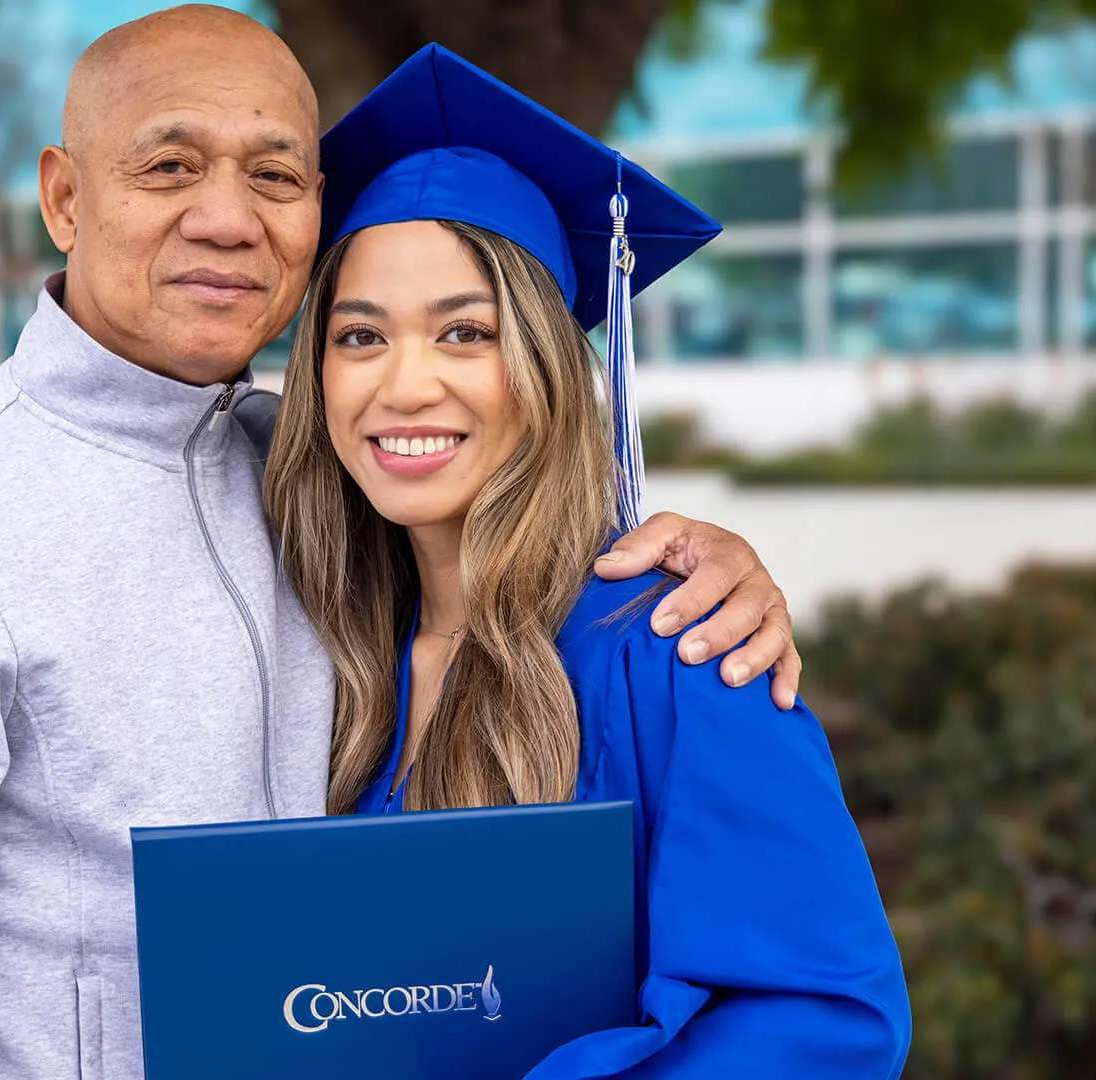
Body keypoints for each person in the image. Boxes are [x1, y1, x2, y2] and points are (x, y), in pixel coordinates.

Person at [0, 8, 806, 1080]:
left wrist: (709, 564)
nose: (225, 217)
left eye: (274, 174)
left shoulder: (322, 484)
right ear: (65, 197)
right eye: (168, 165)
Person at [263, 44, 912, 1077]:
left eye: (465, 333)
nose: (404, 385)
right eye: (358, 336)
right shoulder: (325, 640)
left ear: (548, 368)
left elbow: (828, 1023)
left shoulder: (677, 644)